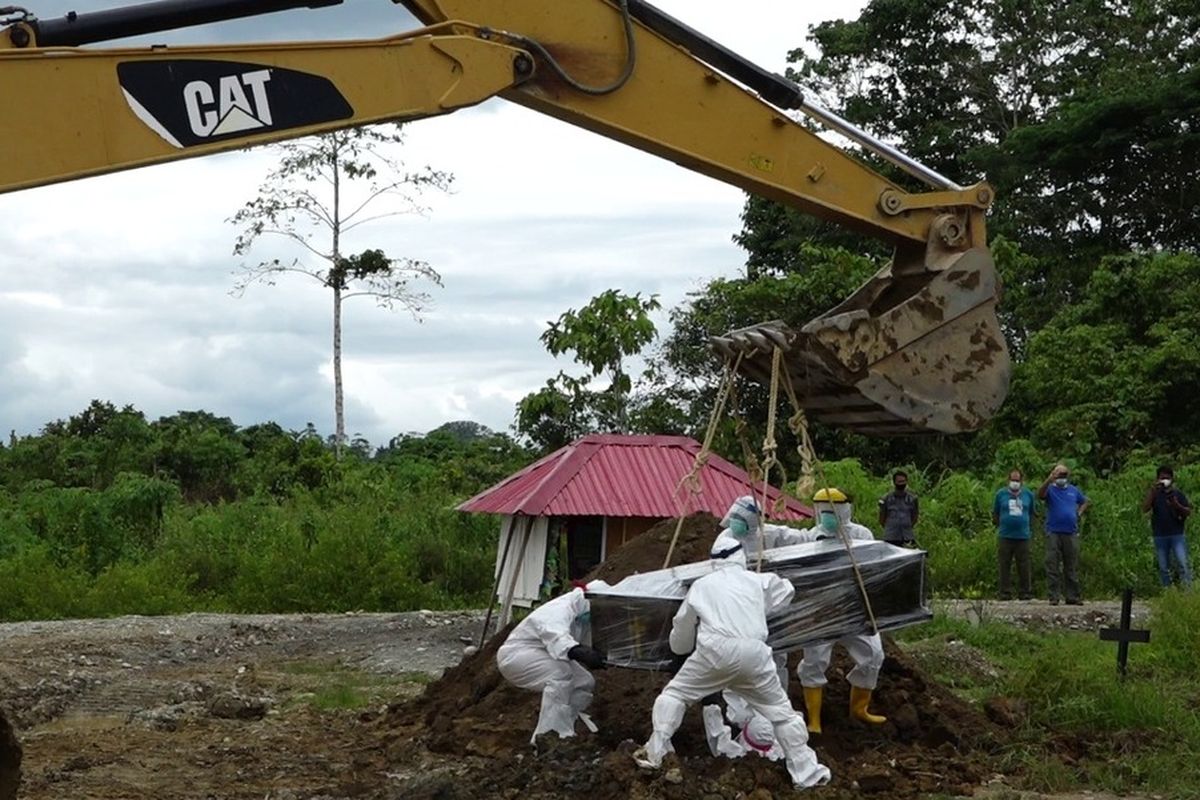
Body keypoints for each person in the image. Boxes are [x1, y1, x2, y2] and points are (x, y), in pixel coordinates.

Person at [635, 535, 830, 789]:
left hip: (715, 651)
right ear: (741, 556)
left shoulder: (701, 585)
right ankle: (807, 774)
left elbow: (681, 631)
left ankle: (654, 752)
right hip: (755, 654)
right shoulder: (759, 581)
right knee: (782, 714)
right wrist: (758, 606)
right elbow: (787, 590)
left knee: (675, 694)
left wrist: (679, 649)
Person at [797, 488, 887, 733]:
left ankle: (860, 709)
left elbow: (874, 566)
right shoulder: (809, 538)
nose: (827, 516)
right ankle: (814, 719)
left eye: (832, 510)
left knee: (873, 653)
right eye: (822, 510)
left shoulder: (861, 534)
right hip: (819, 610)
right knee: (814, 660)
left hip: (854, 608)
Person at [495, 585, 607, 744]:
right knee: (561, 675)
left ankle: (567, 726)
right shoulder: (560, 609)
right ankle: (550, 737)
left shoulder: (581, 616)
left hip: (542, 653)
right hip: (516, 655)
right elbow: (556, 635)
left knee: (584, 682)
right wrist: (579, 651)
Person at [1037, 463, 1090, 605]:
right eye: (1059, 475)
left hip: (1070, 531)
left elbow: (1085, 501)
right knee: (1052, 564)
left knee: (1071, 565)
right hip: (1053, 531)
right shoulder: (1050, 490)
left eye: (1064, 475)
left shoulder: (1073, 490)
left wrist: (1079, 512)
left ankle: (1072, 595)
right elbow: (1040, 494)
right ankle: (1054, 596)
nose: (1062, 478)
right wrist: (1049, 480)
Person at [1141, 465, 1192, 588]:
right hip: (1160, 535)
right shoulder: (1155, 493)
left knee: (1182, 563)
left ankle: (1187, 590)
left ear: (1172, 479)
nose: (1165, 481)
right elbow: (1145, 508)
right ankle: (1167, 590)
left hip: (1177, 534)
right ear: (1157, 479)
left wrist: (1176, 504)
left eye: (1167, 478)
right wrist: (1152, 493)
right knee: (1164, 566)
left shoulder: (1178, 494)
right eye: (1162, 478)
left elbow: (1188, 511)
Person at [993, 469, 1035, 600]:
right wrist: (1001, 525)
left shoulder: (1028, 494)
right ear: (1008, 480)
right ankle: (1005, 592)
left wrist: (1028, 528)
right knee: (1004, 564)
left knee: (1024, 565)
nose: (1015, 483)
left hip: (1023, 536)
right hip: (1005, 535)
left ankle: (1025, 592)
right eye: (1012, 480)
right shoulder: (1000, 494)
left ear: (1022, 481)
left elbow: (1032, 512)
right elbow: (995, 513)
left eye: (1017, 480)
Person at [878, 470, 919, 546]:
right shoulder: (886, 499)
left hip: (907, 536)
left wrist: (906, 525)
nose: (901, 484)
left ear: (907, 482)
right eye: (899, 482)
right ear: (894, 483)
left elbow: (915, 516)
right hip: (890, 536)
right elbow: (882, 518)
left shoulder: (912, 499)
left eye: (903, 481)